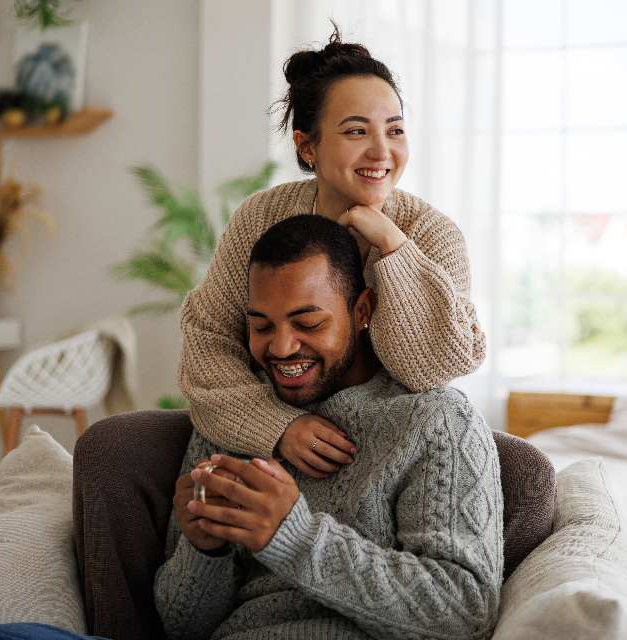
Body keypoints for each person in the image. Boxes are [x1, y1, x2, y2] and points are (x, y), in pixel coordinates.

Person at [156, 215, 503, 639]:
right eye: (262, 326)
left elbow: (465, 611)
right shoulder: (232, 415)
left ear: (362, 311)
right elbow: (178, 626)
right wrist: (203, 551)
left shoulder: (437, 422)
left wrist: (296, 537)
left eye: (308, 324)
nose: (281, 348)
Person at [179, 26, 486, 480]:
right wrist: (279, 427)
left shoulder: (432, 234)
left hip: (386, 452)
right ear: (307, 146)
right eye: (357, 131)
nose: (382, 150)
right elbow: (207, 346)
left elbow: (431, 368)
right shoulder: (260, 218)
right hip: (270, 444)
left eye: (395, 129)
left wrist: (393, 247)